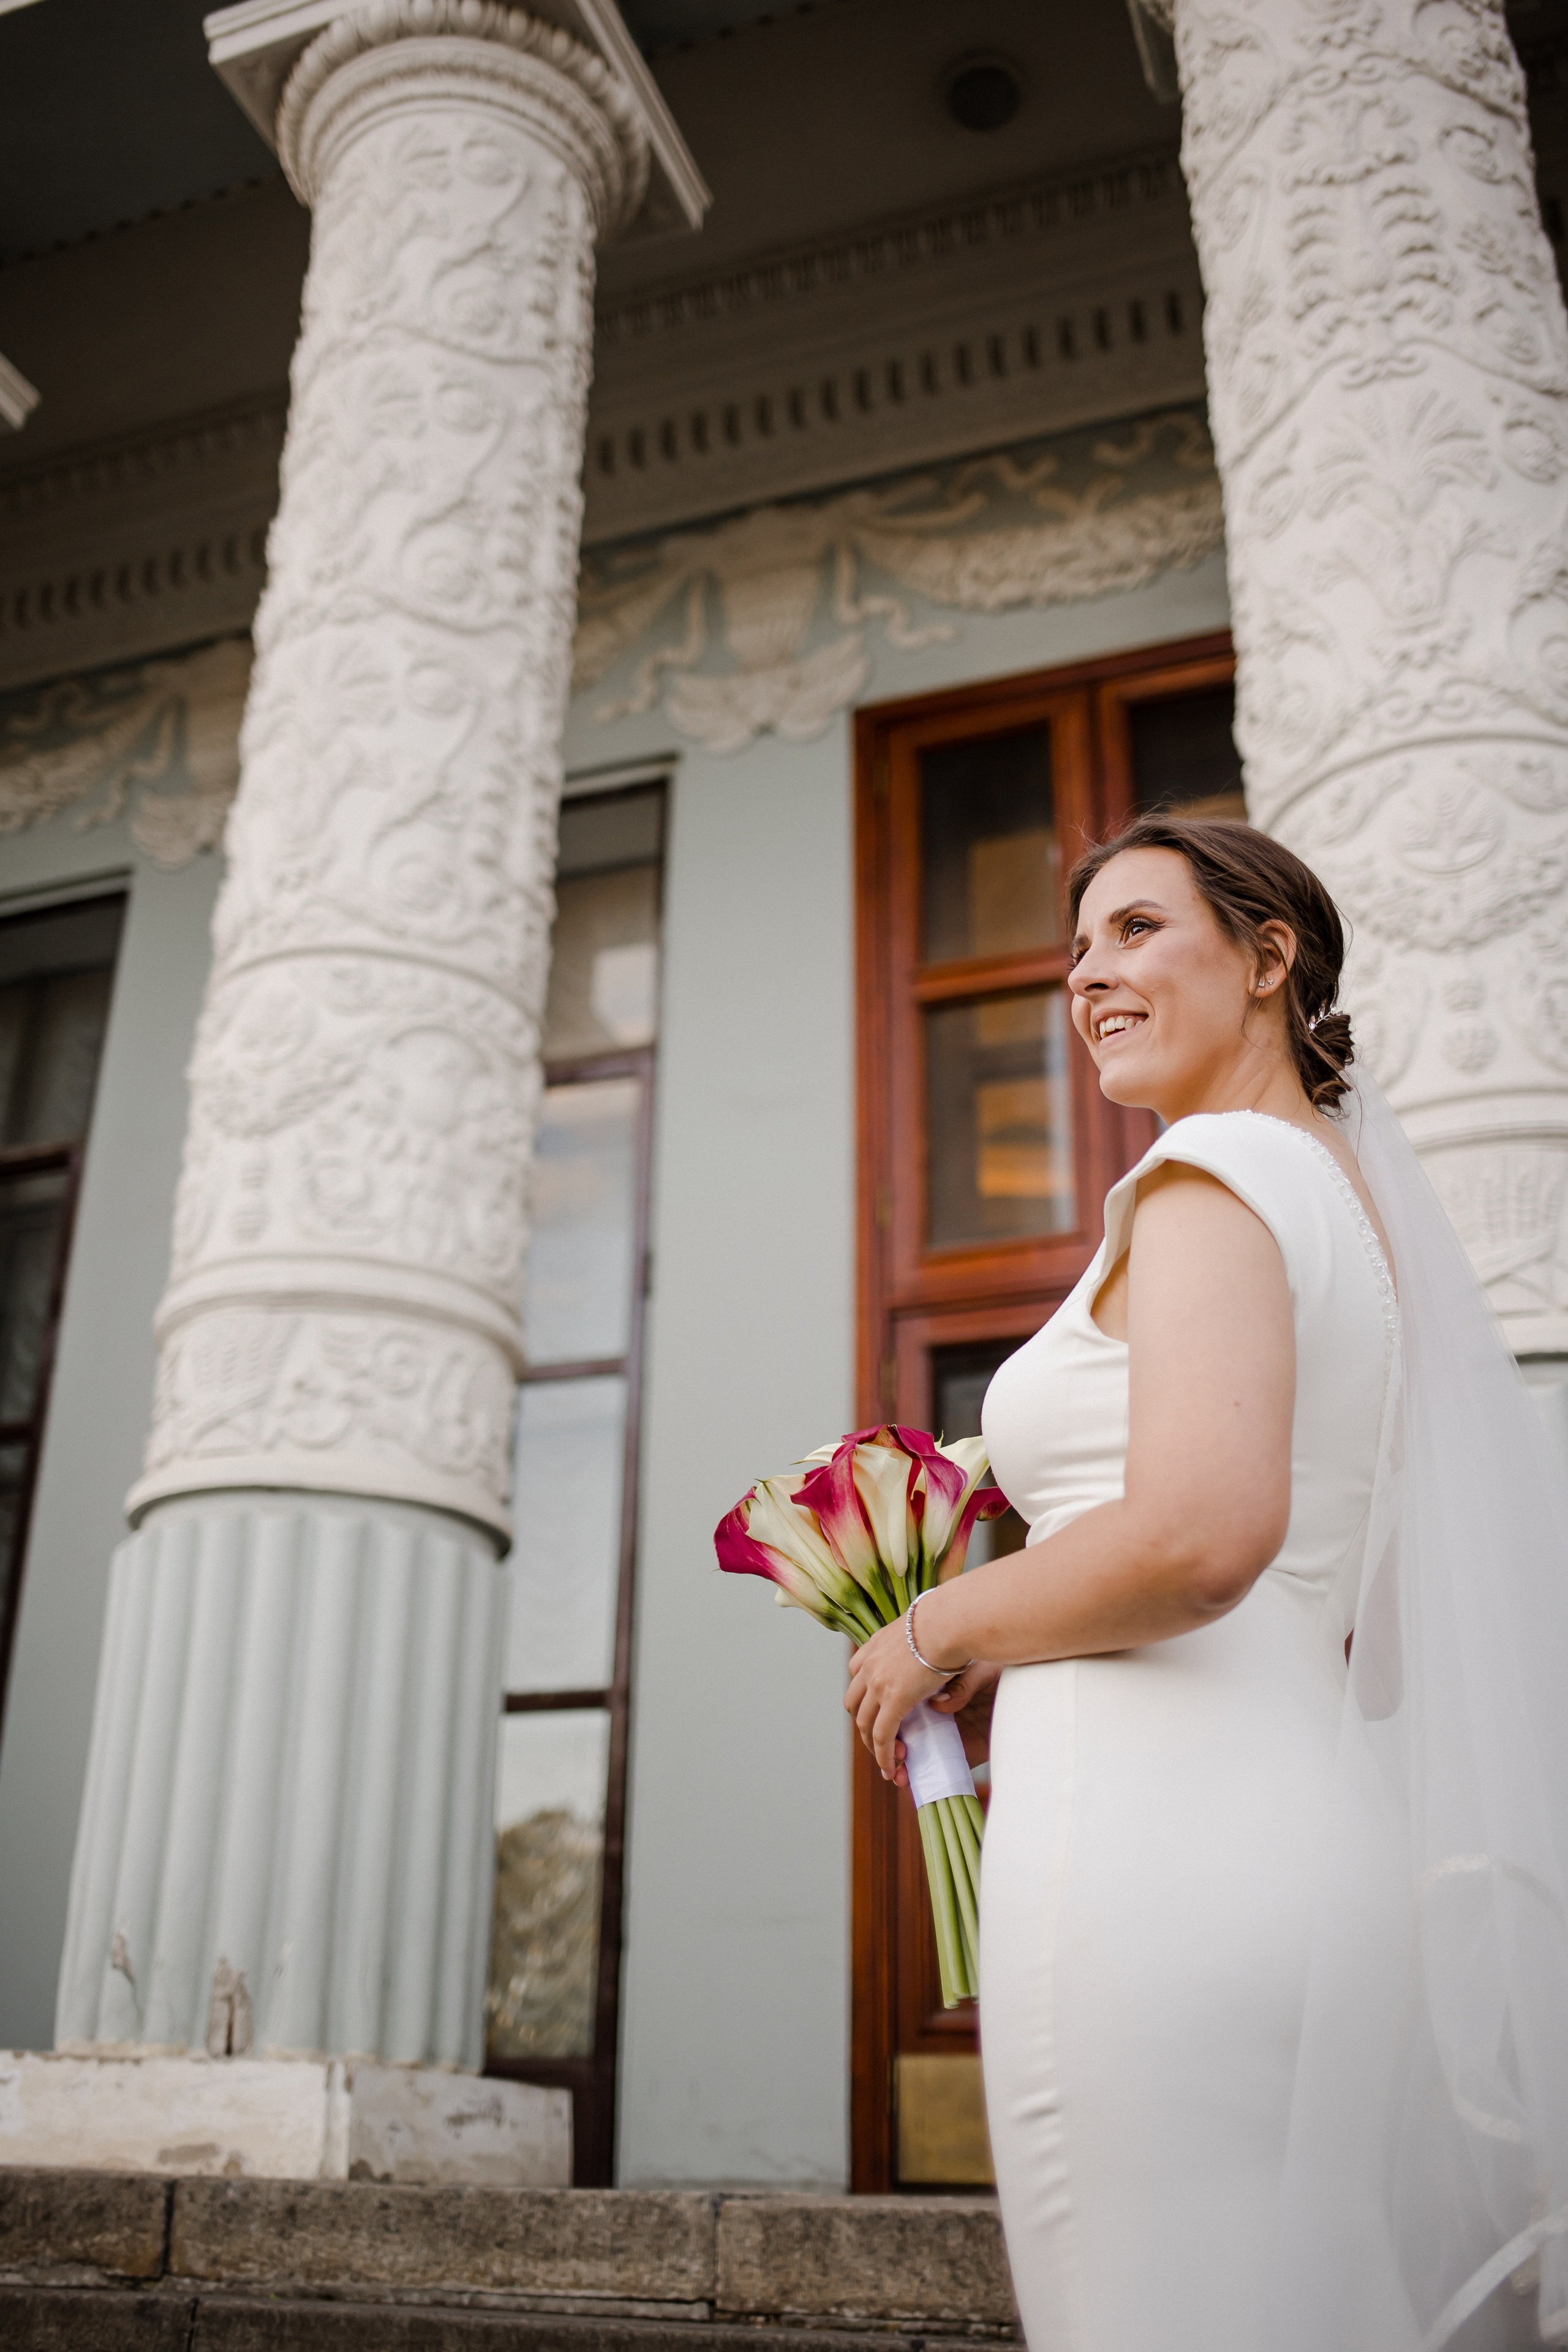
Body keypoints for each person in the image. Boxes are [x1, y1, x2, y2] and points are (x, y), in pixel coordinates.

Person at [844, 815, 1568, 2352]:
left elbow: (1194, 1535)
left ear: (1263, 957)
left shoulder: (1207, 1177)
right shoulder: (1339, 1202)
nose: (1084, 975)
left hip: (1155, 1843)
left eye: (1133, 933)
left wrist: (936, 1625)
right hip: (1294, 1818)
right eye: (1075, 946)